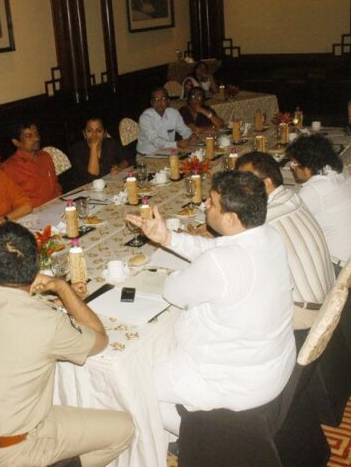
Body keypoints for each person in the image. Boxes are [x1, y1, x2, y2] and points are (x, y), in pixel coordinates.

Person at [0, 221, 135, 467]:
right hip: (12, 451)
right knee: (124, 428)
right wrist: (61, 287)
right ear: (36, 266)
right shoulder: (47, 322)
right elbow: (99, 339)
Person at [126, 171, 295, 438]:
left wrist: (178, 273)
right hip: (271, 365)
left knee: (132, 380)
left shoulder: (223, 263)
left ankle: (201, 440)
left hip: (236, 382)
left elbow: (174, 292)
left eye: (212, 203)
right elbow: (212, 251)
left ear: (231, 218)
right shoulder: (268, 235)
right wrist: (167, 239)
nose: (205, 205)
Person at [237, 151, 335, 330]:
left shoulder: (265, 218)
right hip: (328, 297)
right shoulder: (292, 196)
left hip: (305, 312)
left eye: (245, 183)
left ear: (266, 183)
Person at [285, 135, 351, 271]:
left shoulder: (315, 190)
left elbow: (289, 224)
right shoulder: (340, 173)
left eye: (294, 163)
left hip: (340, 266)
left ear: (307, 166)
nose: (291, 168)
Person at [1, 122, 63, 208]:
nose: (36, 138)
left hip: (56, 207)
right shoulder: (9, 168)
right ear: (16, 142)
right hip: (32, 216)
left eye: (36, 133)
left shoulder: (45, 157)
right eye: (28, 136)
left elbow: (56, 186)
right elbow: (10, 203)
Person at [136, 87, 194, 155]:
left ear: (168, 101)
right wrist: (177, 144)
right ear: (152, 103)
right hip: (147, 155)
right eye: (156, 99)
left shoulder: (173, 113)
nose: (159, 102)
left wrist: (191, 136)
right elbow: (156, 141)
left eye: (163, 99)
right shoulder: (145, 118)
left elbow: (184, 130)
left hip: (167, 152)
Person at [68, 118, 129, 184]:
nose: (94, 135)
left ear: (104, 133)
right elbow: (92, 178)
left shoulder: (111, 143)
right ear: (84, 133)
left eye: (99, 131)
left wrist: (119, 167)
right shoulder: (77, 151)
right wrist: (93, 147)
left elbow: (126, 159)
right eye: (89, 131)